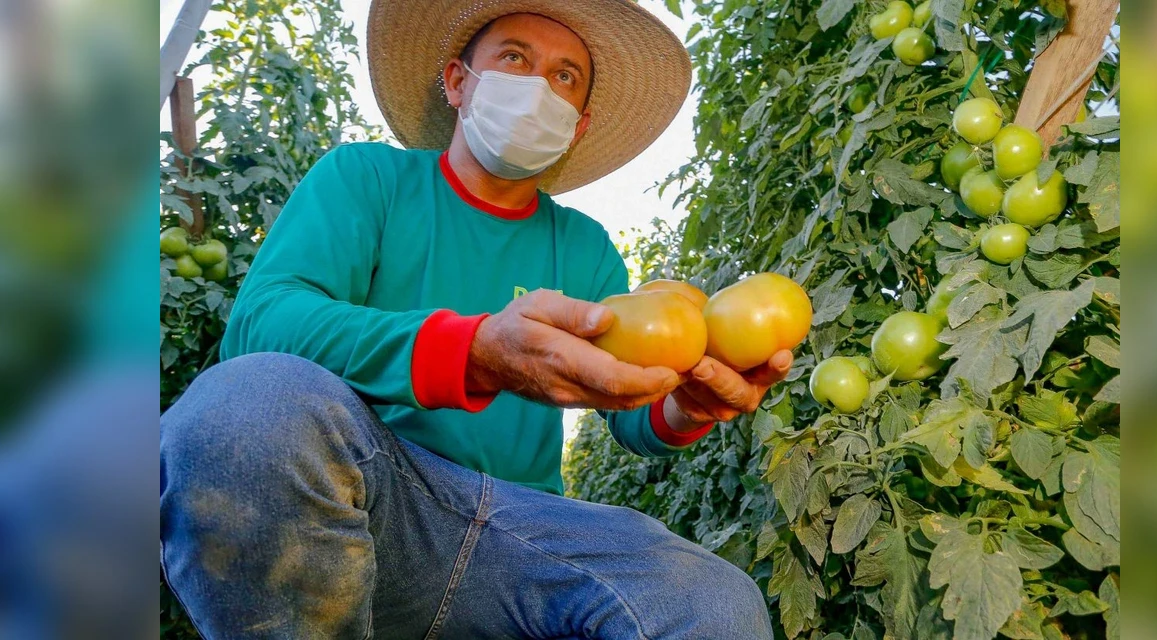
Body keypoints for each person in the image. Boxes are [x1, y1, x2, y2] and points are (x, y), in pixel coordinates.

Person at [161, 1, 794, 637]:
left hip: (522, 534)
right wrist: (472, 352)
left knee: (712, 604)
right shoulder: (367, 180)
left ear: (578, 124)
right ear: (459, 82)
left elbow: (628, 407)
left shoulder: (586, 248)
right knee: (241, 411)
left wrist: (688, 403)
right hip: (366, 495)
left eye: (565, 77)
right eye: (515, 58)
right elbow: (261, 326)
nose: (539, 87)